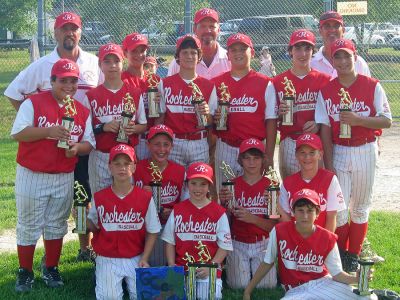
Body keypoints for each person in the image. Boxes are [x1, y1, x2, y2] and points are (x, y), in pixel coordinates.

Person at [4, 11, 102, 261]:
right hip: (49, 144)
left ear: (80, 32)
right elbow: (14, 92)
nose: (70, 33)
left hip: (81, 139)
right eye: (64, 28)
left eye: (74, 28)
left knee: (82, 196)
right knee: (49, 206)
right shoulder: (42, 66)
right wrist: (37, 120)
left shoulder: (92, 62)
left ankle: (84, 247)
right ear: (56, 33)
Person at [11, 59, 95, 292]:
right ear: (52, 81)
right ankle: (25, 272)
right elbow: (18, 133)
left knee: (56, 225)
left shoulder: (81, 111)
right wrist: (48, 131)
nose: (68, 85)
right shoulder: (34, 102)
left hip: (63, 174)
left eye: (73, 81)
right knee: (29, 224)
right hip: (32, 173)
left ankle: (51, 267)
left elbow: (89, 142)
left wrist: (77, 148)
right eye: (63, 80)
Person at [315, 39, 392, 272]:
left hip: (365, 149)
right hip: (339, 150)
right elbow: (325, 129)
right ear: (333, 60)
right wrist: (328, 165)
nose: (343, 61)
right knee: (339, 210)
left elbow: (387, 120)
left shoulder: (371, 85)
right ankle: (340, 253)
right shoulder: (327, 90)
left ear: (355, 58)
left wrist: (360, 121)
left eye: (347, 56)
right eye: (338, 56)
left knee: (359, 207)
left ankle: (353, 255)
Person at [244, 189, 375, 300]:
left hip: (323, 283)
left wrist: (356, 279)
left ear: (317, 213)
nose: (305, 215)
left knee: (367, 298)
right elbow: (267, 262)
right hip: (295, 290)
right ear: (293, 211)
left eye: (310, 210)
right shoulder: (279, 231)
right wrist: (247, 291)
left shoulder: (327, 237)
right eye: (300, 210)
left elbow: (337, 274)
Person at [87, 144, 161, 300]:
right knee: (109, 297)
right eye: (117, 163)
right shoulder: (100, 197)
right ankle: (102, 275)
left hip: (135, 255)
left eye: (127, 163)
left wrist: (145, 258)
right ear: (110, 167)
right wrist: (82, 219)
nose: (122, 168)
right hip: (107, 257)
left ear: (134, 167)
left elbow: (153, 230)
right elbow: (94, 228)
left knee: (142, 296)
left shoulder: (145, 197)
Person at [162, 162, 233, 299]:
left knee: (210, 296)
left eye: (203, 184)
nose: (198, 188)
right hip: (183, 268)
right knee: (181, 296)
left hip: (209, 268)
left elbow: (224, 247)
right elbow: (170, 241)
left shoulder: (218, 212)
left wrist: (211, 266)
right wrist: (172, 265)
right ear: (187, 184)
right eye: (193, 183)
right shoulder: (178, 210)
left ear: (209, 186)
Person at [266, 29, 331, 179]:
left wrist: (319, 124)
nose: (303, 54)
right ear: (290, 51)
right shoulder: (276, 82)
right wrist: (281, 115)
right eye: (298, 48)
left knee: (315, 190)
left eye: (307, 48)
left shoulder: (324, 80)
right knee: (291, 191)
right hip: (290, 142)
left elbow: (331, 115)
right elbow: (270, 120)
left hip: (315, 142)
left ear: (313, 51)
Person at [212, 33, 272, 193]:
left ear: (252, 53)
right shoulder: (216, 83)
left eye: (243, 49)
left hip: (255, 150)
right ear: (228, 55)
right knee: (225, 197)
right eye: (234, 50)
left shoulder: (265, 83)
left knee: (255, 197)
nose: (238, 53)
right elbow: (209, 121)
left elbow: (271, 121)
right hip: (226, 146)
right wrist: (214, 118)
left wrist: (270, 155)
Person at [85, 43, 147, 194]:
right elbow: (86, 131)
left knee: (126, 199)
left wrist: (134, 128)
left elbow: (143, 125)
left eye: (116, 61)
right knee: (100, 199)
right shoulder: (92, 95)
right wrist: (103, 127)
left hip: (126, 156)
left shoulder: (134, 92)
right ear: (100, 65)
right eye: (107, 61)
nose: (112, 65)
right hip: (101, 154)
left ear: (123, 63)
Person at [219, 138, 277, 289]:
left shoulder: (270, 186)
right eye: (247, 158)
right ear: (240, 160)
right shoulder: (231, 185)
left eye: (256, 158)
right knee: (239, 285)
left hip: (262, 242)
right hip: (238, 243)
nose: (252, 162)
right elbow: (222, 222)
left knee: (267, 286)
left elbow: (274, 227)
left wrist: (253, 219)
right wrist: (223, 204)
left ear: (263, 160)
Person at [157, 34, 217, 168]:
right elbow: (160, 118)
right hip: (173, 141)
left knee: (198, 186)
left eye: (193, 52)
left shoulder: (208, 85)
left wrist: (206, 113)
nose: (189, 56)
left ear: (199, 56)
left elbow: (212, 122)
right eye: (184, 52)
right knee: (173, 185)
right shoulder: (165, 84)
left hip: (199, 142)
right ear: (178, 56)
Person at [133, 124, 186, 266]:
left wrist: (174, 212)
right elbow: (126, 200)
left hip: (169, 226)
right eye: (157, 144)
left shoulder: (180, 171)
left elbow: (188, 204)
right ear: (148, 145)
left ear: (172, 146)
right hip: (142, 227)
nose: (162, 150)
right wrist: (140, 195)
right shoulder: (136, 169)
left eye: (166, 145)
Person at [279, 133, 345, 233]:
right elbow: (284, 221)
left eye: (312, 152)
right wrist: (275, 204)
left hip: (321, 241)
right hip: (295, 241)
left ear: (320, 154)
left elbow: (331, 218)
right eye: (302, 153)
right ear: (296, 155)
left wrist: (323, 243)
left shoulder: (330, 179)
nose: (307, 157)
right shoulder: (287, 183)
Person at [121, 33, 162, 161]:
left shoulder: (155, 80)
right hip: (131, 138)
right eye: (134, 51)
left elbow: (162, 114)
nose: (139, 55)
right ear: (125, 53)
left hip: (152, 137)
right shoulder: (121, 80)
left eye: (142, 51)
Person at [167, 8, 230, 80]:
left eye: (212, 26)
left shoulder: (229, 59)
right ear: (194, 29)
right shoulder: (180, 61)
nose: (207, 30)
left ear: (218, 29)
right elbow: (169, 87)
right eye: (203, 26)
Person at [311, 11, 370, 78]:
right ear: (320, 31)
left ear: (343, 30)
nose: (332, 30)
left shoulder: (358, 63)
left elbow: (368, 87)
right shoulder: (311, 63)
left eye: (336, 26)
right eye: (327, 26)